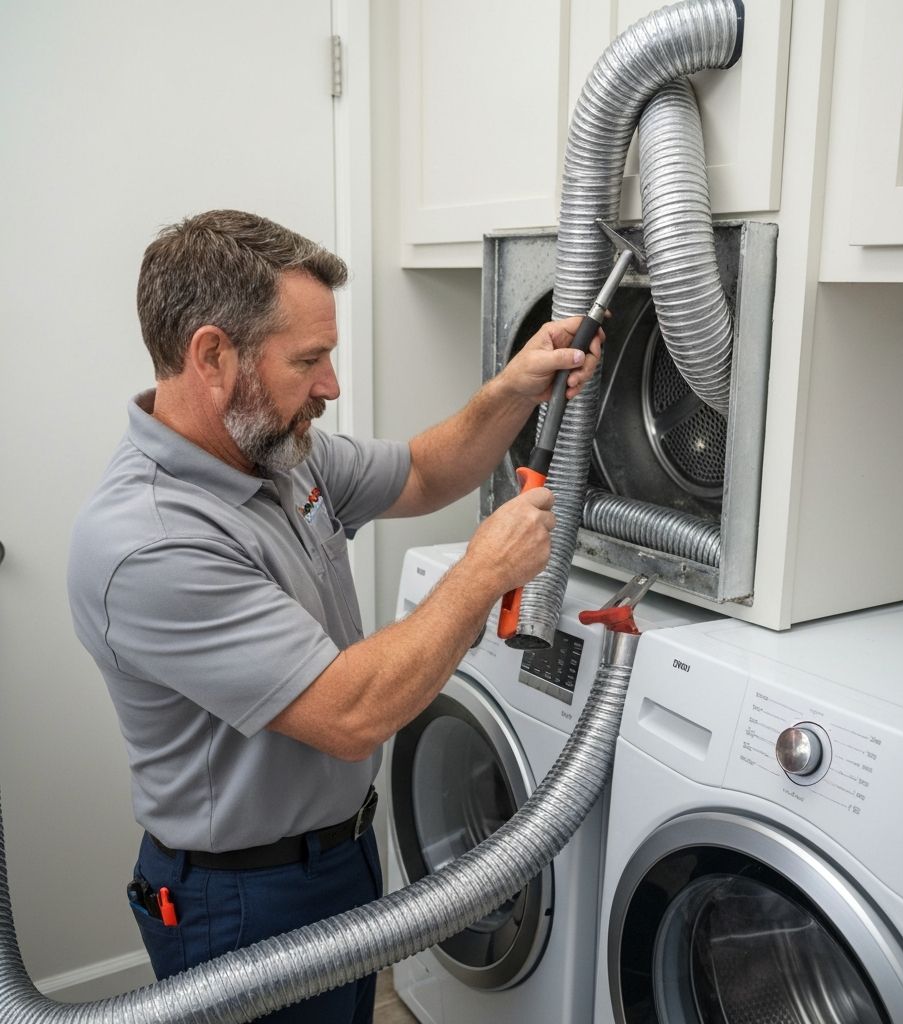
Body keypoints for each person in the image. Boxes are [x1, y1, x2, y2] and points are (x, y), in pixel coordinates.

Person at [65, 209, 601, 1022]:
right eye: (308, 360)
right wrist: (485, 570)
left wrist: (514, 386)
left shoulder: (274, 455)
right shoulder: (151, 542)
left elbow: (423, 471)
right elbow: (353, 713)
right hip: (241, 900)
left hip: (341, 853)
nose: (331, 386)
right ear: (212, 356)